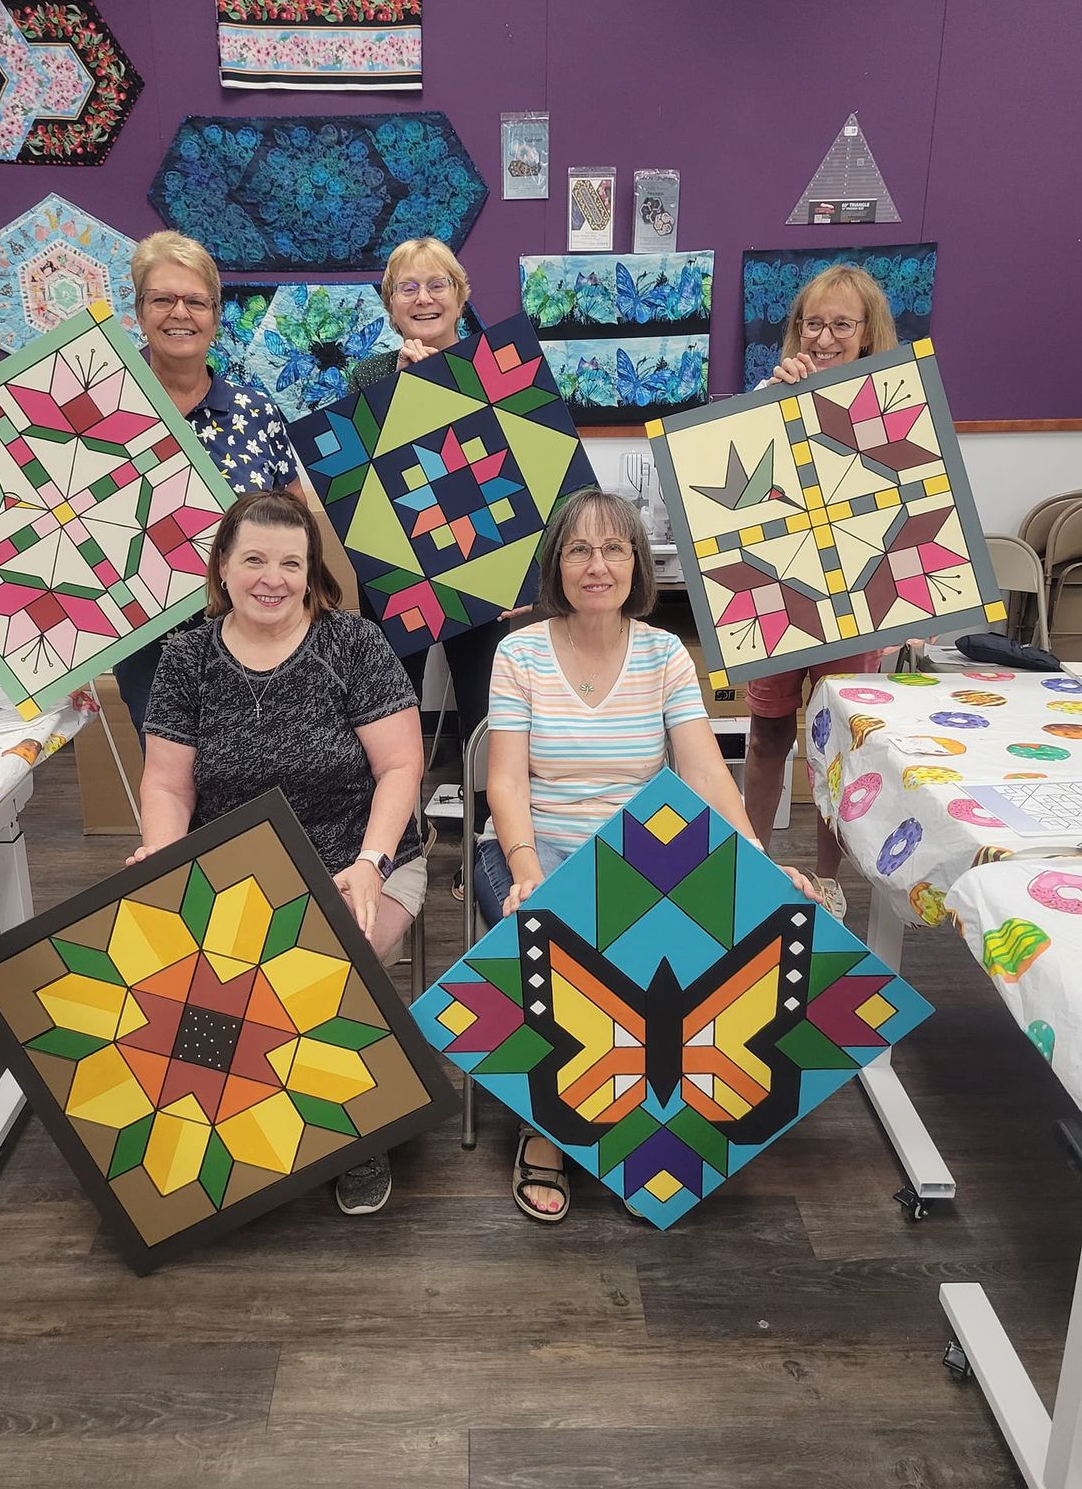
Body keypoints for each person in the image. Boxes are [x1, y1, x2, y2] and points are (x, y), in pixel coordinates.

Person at [477, 489, 818, 1224]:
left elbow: (702, 773)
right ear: (556, 565)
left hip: (639, 860)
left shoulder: (664, 654)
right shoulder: (520, 653)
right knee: (560, 945)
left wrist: (755, 855)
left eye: (614, 549)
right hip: (532, 848)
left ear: (636, 563)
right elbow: (503, 780)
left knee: (717, 933)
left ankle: (655, 1123)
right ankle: (551, 1125)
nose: (597, 565)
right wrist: (528, 867)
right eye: (579, 550)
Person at [131, 490, 426, 1217]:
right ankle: (241, 1122)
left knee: (314, 966)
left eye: (290, 562)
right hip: (237, 877)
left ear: (311, 571)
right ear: (223, 567)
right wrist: (165, 858)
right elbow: (168, 783)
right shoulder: (188, 655)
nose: (273, 578)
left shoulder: (352, 643)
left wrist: (370, 863)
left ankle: (357, 1130)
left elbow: (400, 767)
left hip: (366, 859)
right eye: (254, 559)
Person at [349, 237, 511, 889]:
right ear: (390, 305)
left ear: (460, 296)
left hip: (480, 566)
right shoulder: (366, 378)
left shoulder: (495, 368)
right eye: (408, 287)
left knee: (483, 715)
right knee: (394, 713)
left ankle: (484, 847)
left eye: (436, 284)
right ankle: (402, 842)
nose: (424, 297)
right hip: (394, 572)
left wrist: (519, 572)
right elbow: (362, 483)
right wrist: (407, 394)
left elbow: (518, 472)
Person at [742, 265, 899, 920]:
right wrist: (767, 401)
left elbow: (915, 506)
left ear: (867, 333)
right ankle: (749, 866)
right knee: (766, 736)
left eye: (842, 323)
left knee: (836, 746)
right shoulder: (771, 389)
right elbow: (736, 476)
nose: (826, 336)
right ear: (797, 329)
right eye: (815, 322)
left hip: (855, 600)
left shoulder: (893, 401)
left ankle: (828, 880)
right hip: (779, 591)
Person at [113, 231, 307, 738]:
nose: (180, 313)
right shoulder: (104, 408)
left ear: (216, 316)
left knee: (260, 776)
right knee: (172, 785)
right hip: (150, 642)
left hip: (255, 633)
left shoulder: (255, 411)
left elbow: (294, 522)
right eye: (163, 299)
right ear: (139, 310)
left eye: (196, 301)